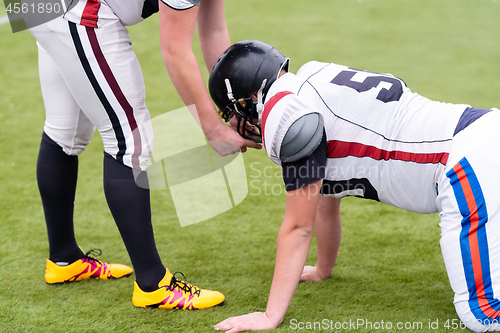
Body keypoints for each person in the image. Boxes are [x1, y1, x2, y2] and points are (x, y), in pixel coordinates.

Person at [208, 40, 500, 332]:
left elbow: (299, 226)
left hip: (464, 165)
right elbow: (324, 199)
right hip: (484, 131)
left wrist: (269, 316)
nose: (234, 124)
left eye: (232, 113)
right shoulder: (310, 78)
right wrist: (324, 269)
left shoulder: (287, 114)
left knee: (482, 314)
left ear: (250, 96)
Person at [29, 0, 260, 310]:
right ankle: (152, 283)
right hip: (75, 8)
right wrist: (213, 130)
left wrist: (234, 107)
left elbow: (213, 29)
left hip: (35, 5)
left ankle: (64, 259)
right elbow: (176, 51)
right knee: (129, 141)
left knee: (64, 131)